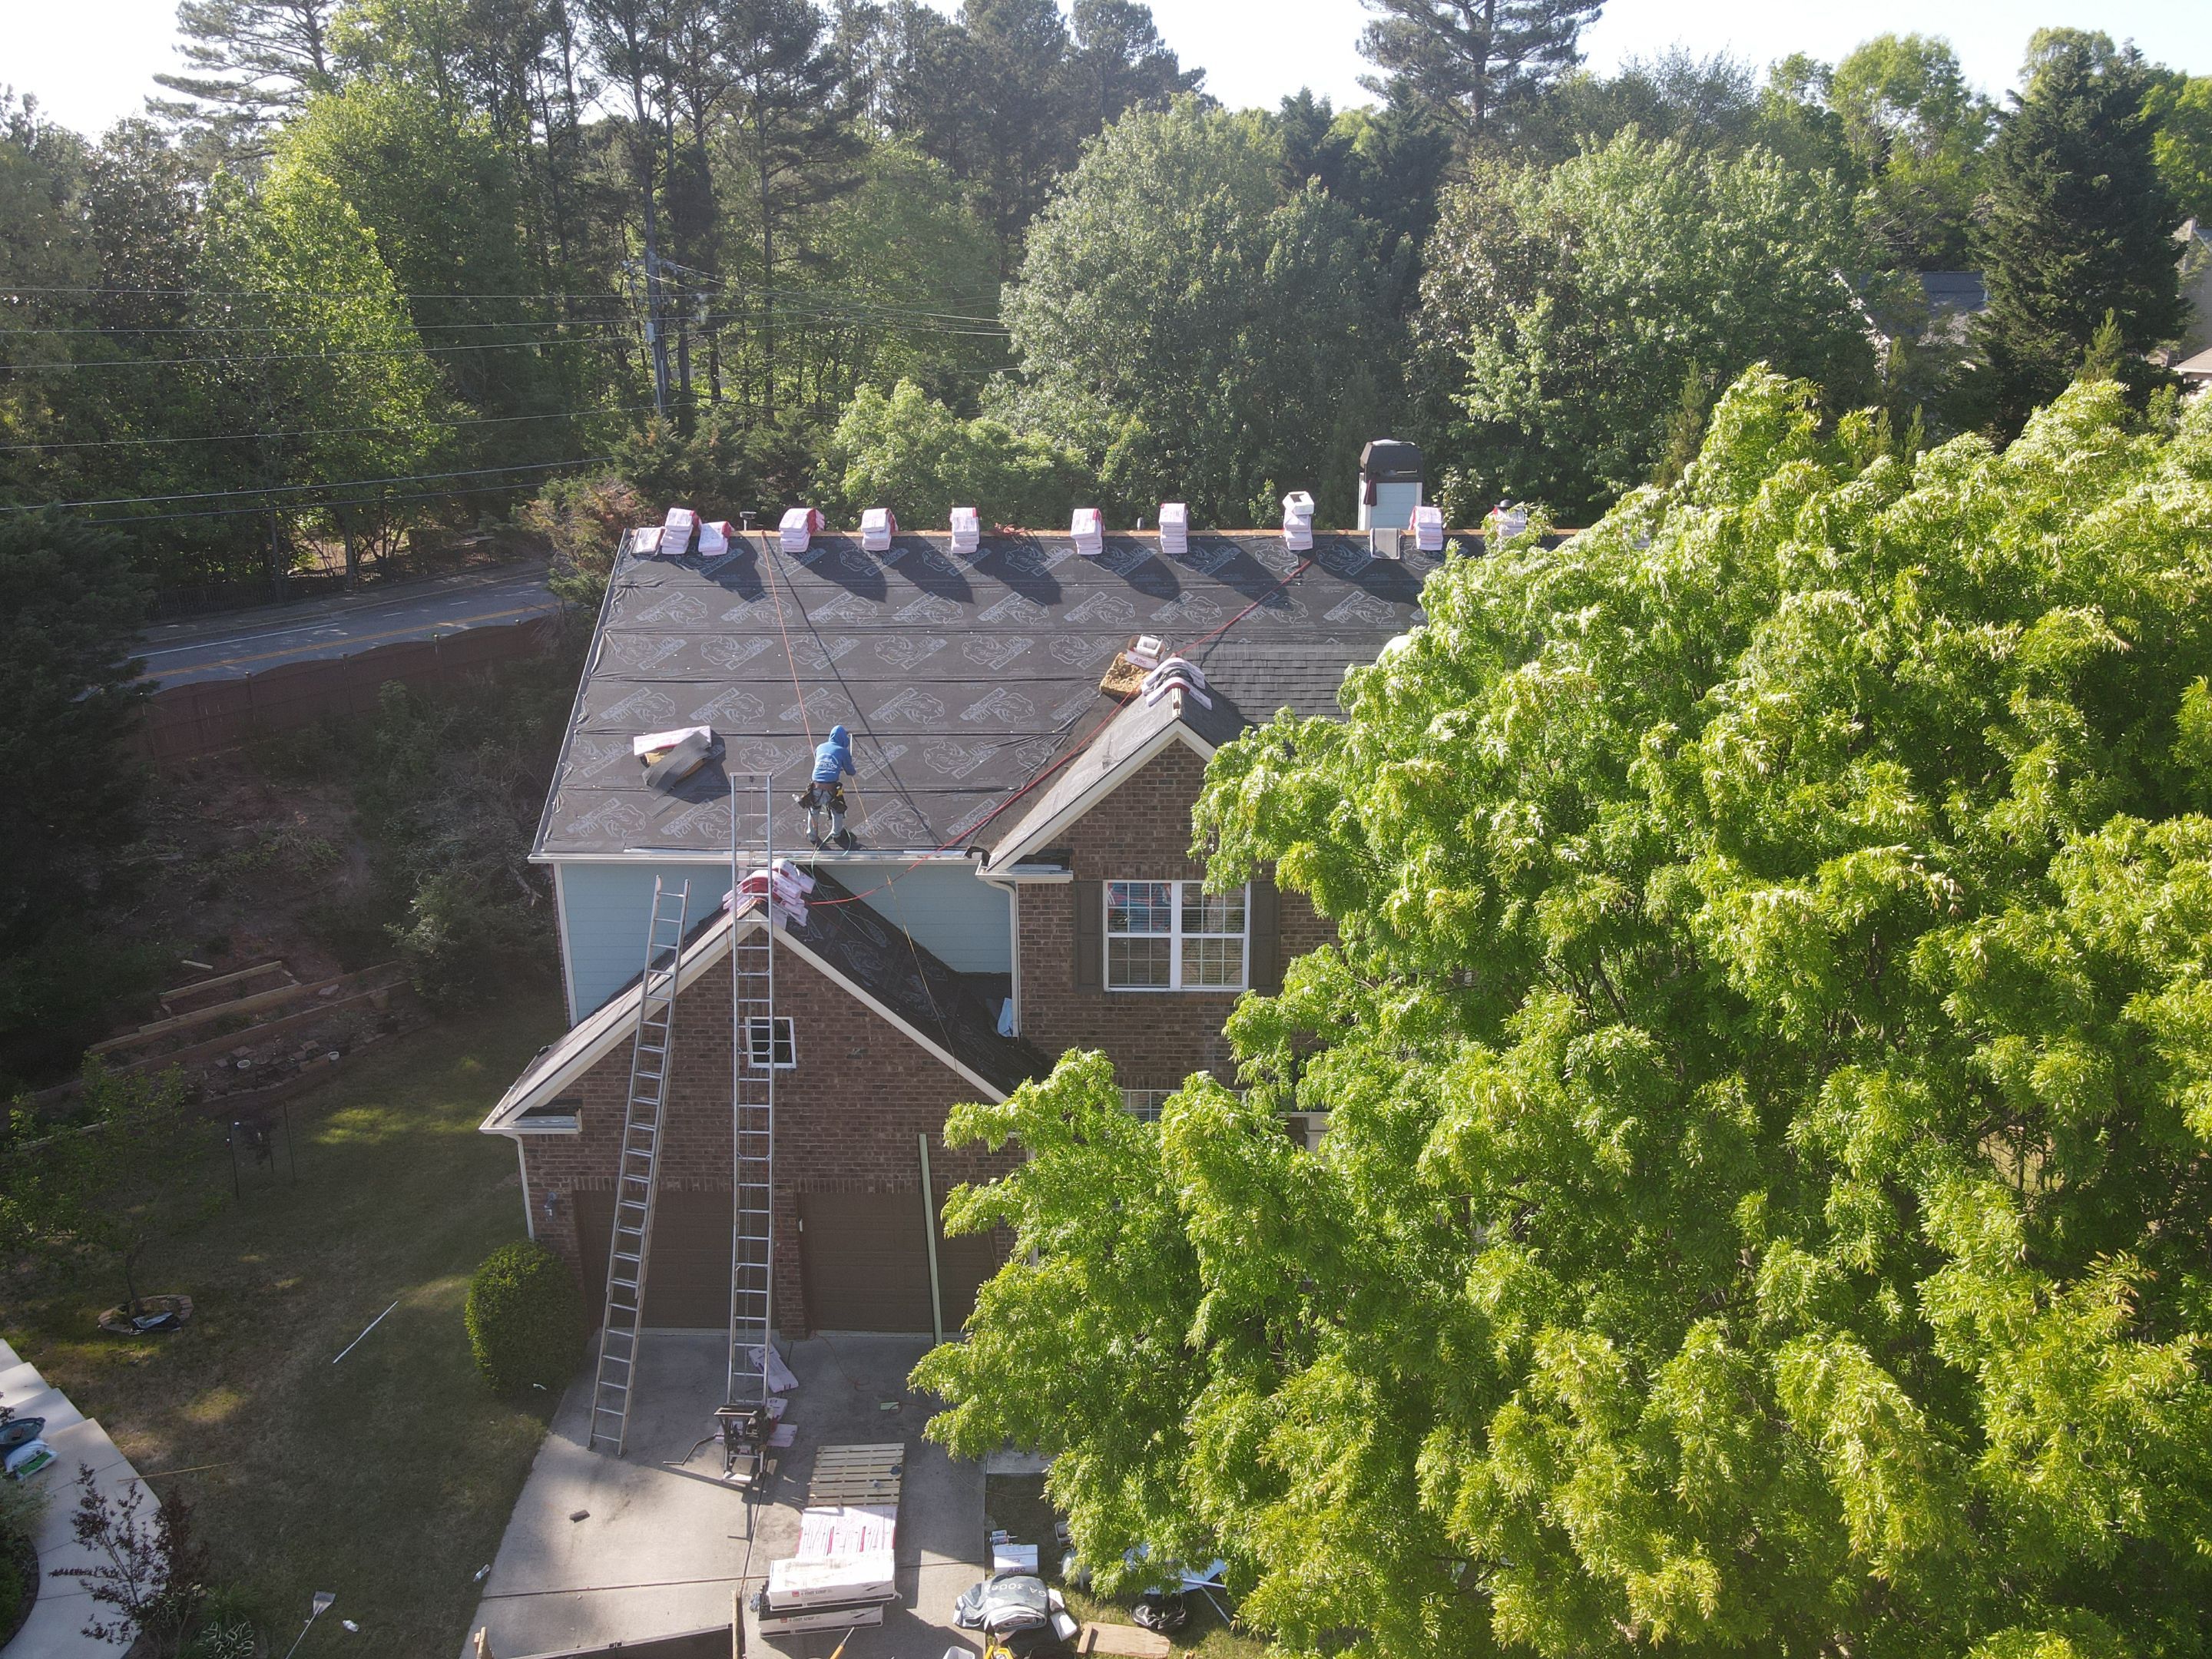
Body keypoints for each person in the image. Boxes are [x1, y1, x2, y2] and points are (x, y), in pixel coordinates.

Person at [800, 724, 856, 847]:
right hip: (831, 788)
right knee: (837, 810)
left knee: (814, 810)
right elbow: (850, 772)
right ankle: (836, 833)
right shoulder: (843, 751)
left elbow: (820, 762)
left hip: (815, 786)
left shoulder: (821, 747)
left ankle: (812, 835)